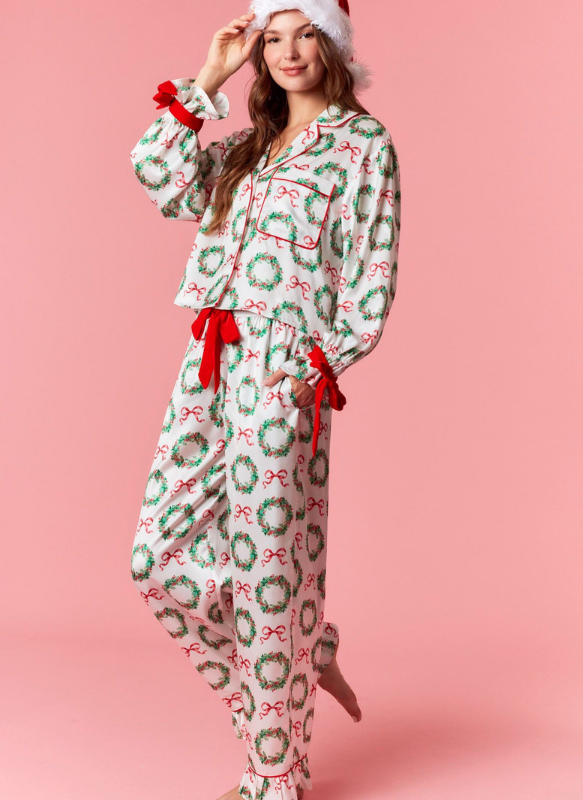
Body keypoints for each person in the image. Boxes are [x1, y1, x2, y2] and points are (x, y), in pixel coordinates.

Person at [129, 1, 401, 797]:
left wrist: (316, 368)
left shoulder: (362, 146)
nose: (287, 51)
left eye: (305, 32)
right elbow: (160, 178)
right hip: (208, 363)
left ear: (334, 42)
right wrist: (208, 76)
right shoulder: (248, 148)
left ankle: (273, 778)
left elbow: (372, 274)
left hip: (284, 369)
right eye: (271, 37)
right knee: (156, 561)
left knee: (269, 575)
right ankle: (303, 650)